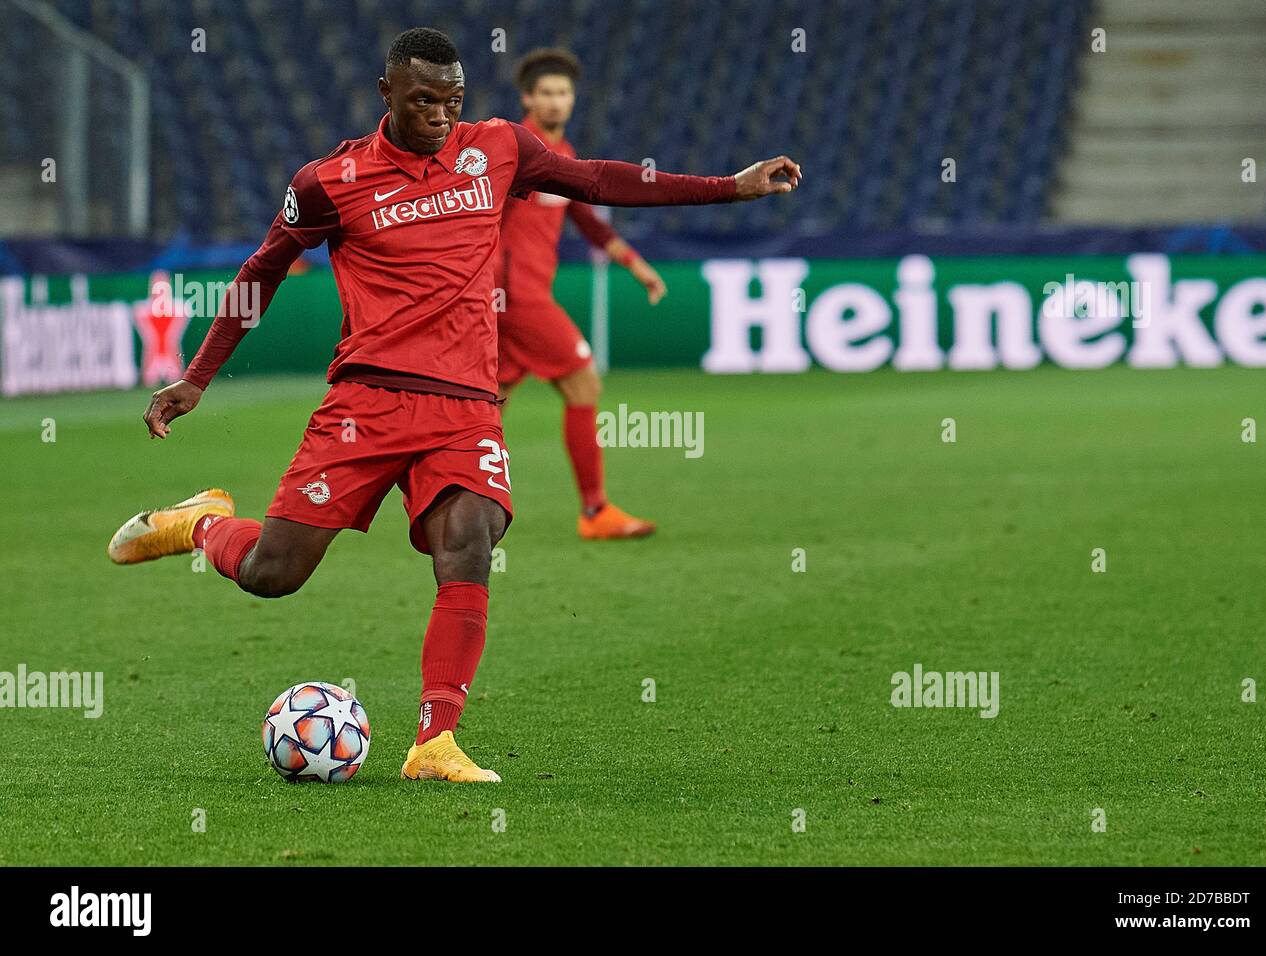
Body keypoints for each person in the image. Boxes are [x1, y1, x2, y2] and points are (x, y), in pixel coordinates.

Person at [106, 28, 801, 784]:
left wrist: (728, 186)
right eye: (424, 100)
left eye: (453, 99)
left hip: (466, 402)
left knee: (471, 537)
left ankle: (433, 743)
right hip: (365, 401)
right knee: (275, 572)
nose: (441, 113)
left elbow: (597, 180)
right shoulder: (330, 179)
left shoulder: (498, 148)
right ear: (387, 95)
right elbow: (261, 270)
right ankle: (200, 522)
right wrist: (198, 377)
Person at [496, 48, 665, 539]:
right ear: (527, 97)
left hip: (506, 299)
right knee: (583, 383)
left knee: (487, 405)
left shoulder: (562, 153)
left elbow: (586, 218)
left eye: (563, 93)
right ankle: (594, 512)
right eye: (545, 92)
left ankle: (447, 507)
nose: (555, 101)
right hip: (512, 296)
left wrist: (636, 265)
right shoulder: (512, 150)